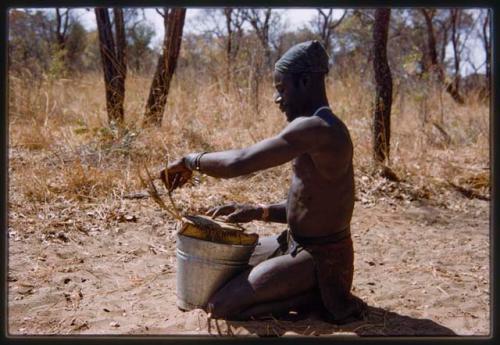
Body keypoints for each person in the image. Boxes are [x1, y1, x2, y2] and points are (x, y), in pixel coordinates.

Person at [161, 40, 366, 324]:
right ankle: (301, 289)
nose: (277, 99)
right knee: (225, 266)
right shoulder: (317, 127)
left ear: (305, 81)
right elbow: (313, 207)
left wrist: (190, 160)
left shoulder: (318, 128)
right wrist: (261, 211)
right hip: (293, 243)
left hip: (320, 259)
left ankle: (317, 297)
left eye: (282, 89)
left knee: (221, 307)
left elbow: (239, 163)